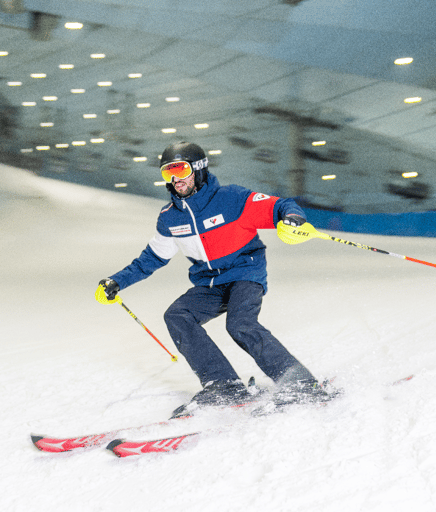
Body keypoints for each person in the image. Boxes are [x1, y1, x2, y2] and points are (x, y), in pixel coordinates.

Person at [96, 141, 331, 416]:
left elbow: (280, 206)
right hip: (210, 283)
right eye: (167, 173)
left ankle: (300, 384)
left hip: (246, 271)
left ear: (198, 169)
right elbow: (151, 259)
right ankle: (224, 384)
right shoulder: (170, 218)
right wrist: (117, 281)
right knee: (177, 315)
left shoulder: (232, 199)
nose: (175, 180)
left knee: (240, 323)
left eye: (180, 170)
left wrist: (293, 218)